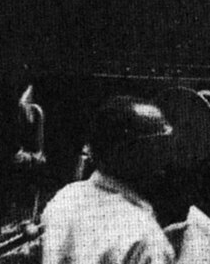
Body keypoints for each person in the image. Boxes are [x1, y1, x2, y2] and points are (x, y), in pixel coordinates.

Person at [41, 96, 177, 264]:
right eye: (159, 147)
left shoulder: (66, 197)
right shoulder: (146, 238)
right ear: (130, 155)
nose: (166, 161)